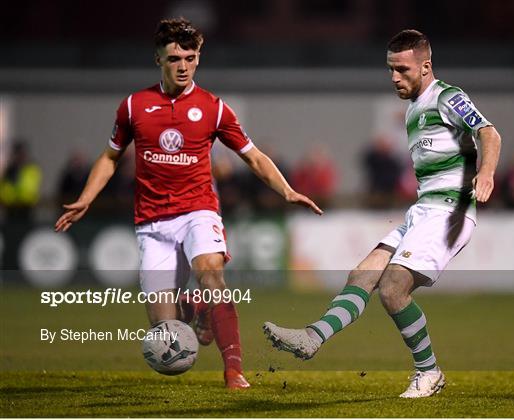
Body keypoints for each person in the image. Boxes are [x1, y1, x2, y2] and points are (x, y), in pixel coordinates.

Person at [55, 17, 322, 389]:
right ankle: (195, 311)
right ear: (158, 60)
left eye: (190, 57)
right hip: (151, 222)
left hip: (198, 210)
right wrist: (85, 198)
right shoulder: (134, 106)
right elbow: (110, 156)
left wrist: (287, 190)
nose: (183, 66)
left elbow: (254, 156)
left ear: (198, 59)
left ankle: (234, 371)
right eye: (174, 58)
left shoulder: (213, 108)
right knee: (167, 330)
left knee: (212, 274)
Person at [263, 29, 501, 398]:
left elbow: (489, 133)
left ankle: (429, 373)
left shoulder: (448, 97)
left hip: (449, 212)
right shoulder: (411, 111)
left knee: (392, 288)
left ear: (425, 67)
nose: (394, 77)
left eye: (403, 69)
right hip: (422, 211)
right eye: (390, 69)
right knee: (363, 273)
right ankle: (313, 337)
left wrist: (485, 174)